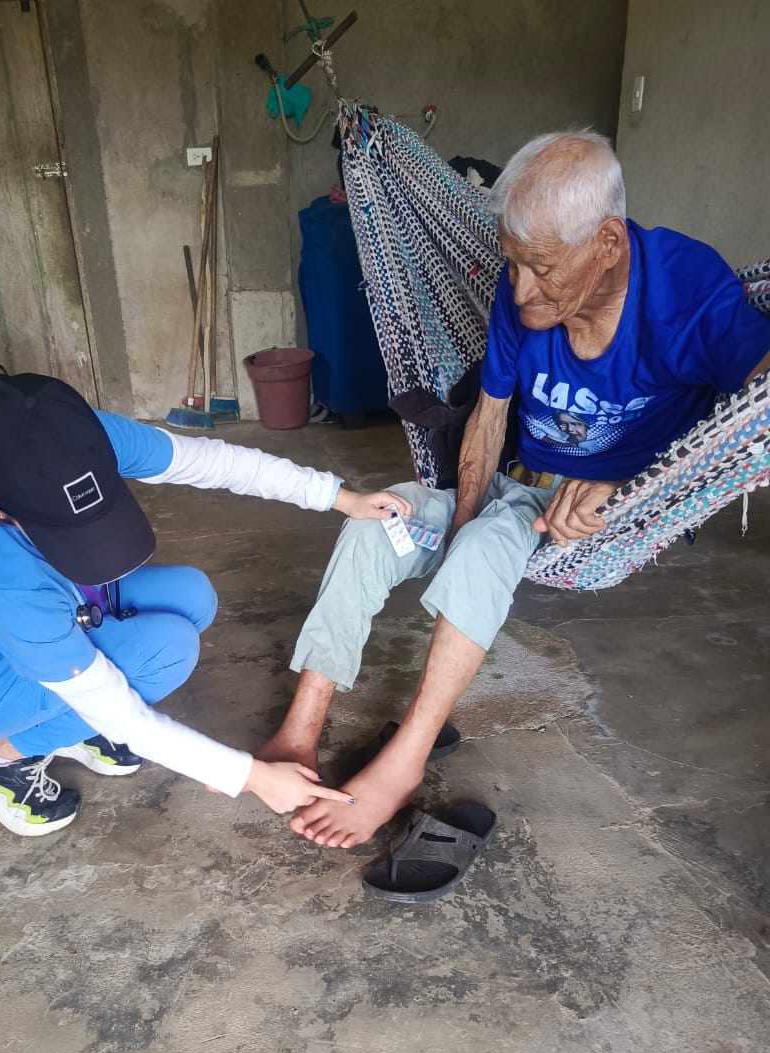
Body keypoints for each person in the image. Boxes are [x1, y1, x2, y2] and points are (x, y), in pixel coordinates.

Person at [257, 129, 770, 849]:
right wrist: (458, 519)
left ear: (608, 242)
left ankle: (405, 761)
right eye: (512, 263)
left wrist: (628, 484)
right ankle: (300, 729)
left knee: (485, 550)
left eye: (542, 269)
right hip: (508, 481)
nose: (521, 290)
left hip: (588, 512)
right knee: (379, 521)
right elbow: (491, 414)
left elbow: (754, 414)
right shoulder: (520, 287)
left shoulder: (687, 293)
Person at [0, 368, 411, 836]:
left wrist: (340, 497)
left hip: (51, 609)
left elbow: (213, 462)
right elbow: (125, 716)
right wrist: (252, 777)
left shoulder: (69, 440)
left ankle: (69, 728)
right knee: (164, 651)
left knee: (191, 596)